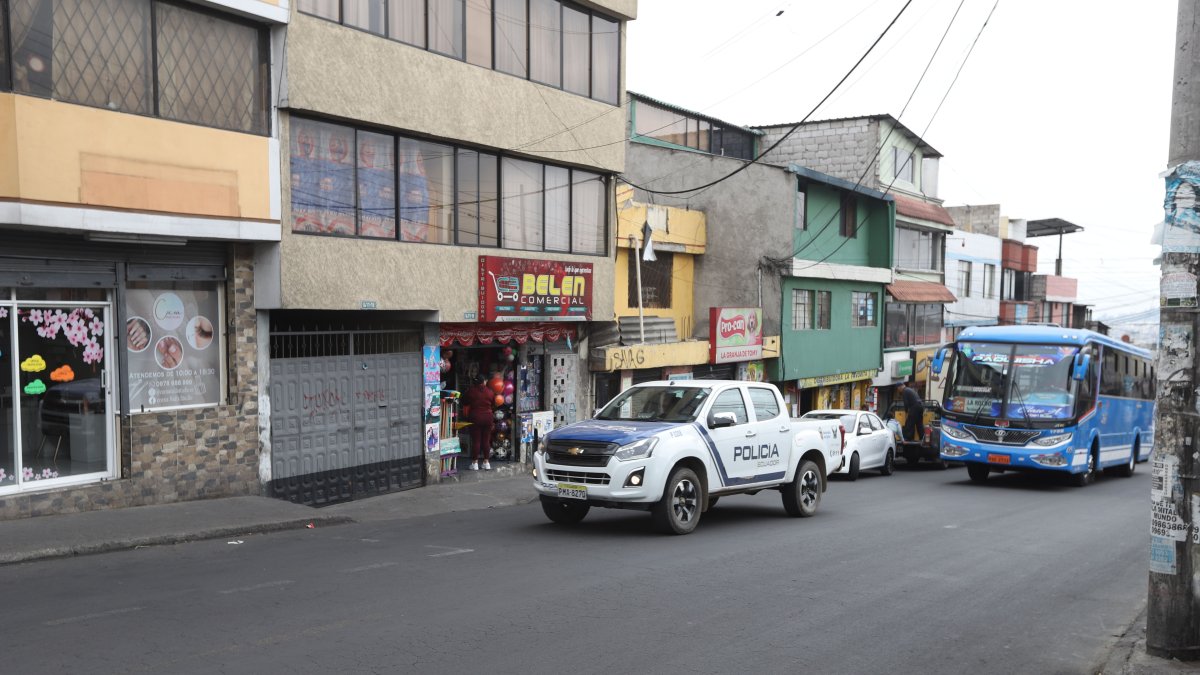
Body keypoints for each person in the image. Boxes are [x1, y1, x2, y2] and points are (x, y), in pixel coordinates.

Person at [463, 374, 495, 470]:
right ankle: (486, 462)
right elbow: (493, 404)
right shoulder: (490, 391)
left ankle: (475, 463)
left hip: (475, 417)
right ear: (484, 381)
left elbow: (464, 401)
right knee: (486, 440)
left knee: (476, 440)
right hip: (488, 417)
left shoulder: (471, 391)